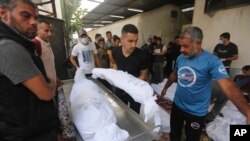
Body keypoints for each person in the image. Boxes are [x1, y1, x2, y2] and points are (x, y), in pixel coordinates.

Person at [160, 27, 250, 141]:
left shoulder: (211, 61)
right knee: (174, 135)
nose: (181, 50)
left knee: (192, 138)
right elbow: (174, 74)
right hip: (178, 106)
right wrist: (165, 88)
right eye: (180, 46)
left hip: (196, 112)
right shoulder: (181, 58)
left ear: (198, 43)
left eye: (185, 46)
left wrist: (247, 111)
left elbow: (228, 86)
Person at [0, 0, 60, 140]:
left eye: (35, 17)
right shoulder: (9, 47)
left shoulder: (20, 43)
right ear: (3, 13)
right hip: (27, 133)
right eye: (25, 16)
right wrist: (51, 84)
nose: (33, 22)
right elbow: (45, 93)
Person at [112, 24, 148, 113]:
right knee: (120, 111)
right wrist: (112, 74)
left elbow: (143, 74)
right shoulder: (115, 52)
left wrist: (131, 87)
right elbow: (117, 65)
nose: (134, 45)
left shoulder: (142, 56)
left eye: (136, 41)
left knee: (134, 114)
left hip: (135, 91)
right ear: (122, 40)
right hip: (120, 88)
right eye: (130, 41)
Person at [34, 19, 61, 89]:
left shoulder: (46, 45)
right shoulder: (36, 44)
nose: (50, 34)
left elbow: (49, 66)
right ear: (37, 31)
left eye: (51, 31)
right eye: (46, 31)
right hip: (45, 88)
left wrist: (55, 78)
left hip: (52, 86)